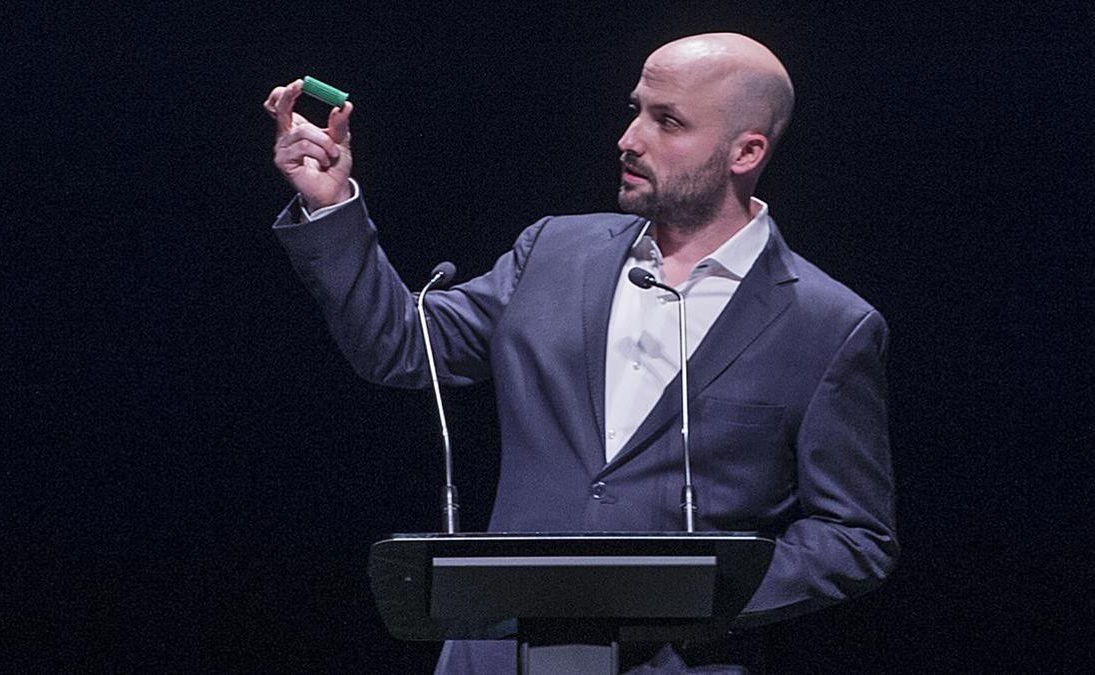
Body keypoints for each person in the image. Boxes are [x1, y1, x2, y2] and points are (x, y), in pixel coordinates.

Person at [264, 33, 897, 674]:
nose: (630, 139)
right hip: (499, 657)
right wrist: (331, 207)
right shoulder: (554, 254)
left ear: (746, 151)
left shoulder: (826, 325)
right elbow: (399, 346)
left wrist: (699, 593)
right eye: (637, 110)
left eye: (668, 121)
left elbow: (854, 537)